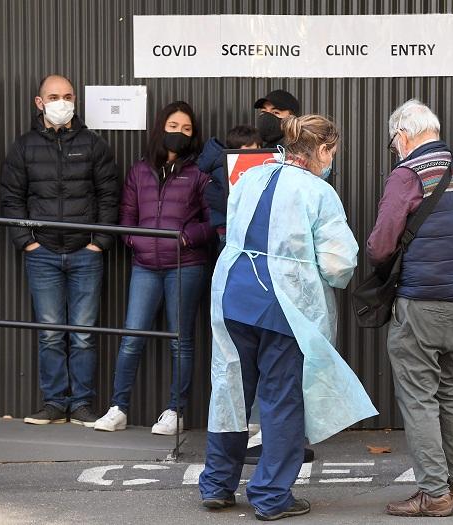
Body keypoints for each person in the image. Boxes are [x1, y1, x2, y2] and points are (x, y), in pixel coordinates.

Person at [198, 114, 376, 520]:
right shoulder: (318, 191)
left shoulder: (251, 176)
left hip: (232, 293)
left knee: (229, 390)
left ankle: (217, 484)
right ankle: (271, 495)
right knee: (281, 400)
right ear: (325, 149)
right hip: (284, 305)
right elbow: (337, 263)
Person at [367, 99, 453, 517]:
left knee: (419, 398)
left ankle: (434, 493)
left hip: (422, 301)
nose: (395, 149)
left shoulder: (409, 174)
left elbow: (382, 244)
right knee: (450, 393)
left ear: (403, 135)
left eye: (393, 142)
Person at [0, 74, 119, 427]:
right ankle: (54, 403)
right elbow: (11, 199)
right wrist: (27, 242)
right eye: (53, 96)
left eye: (67, 95)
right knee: (50, 333)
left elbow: (109, 196)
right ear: (39, 102)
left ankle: (81, 404)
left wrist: (100, 242)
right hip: (43, 254)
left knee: (83, 333)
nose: (61, 101)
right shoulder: (23, 146)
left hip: (86, 253)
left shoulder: (94, 145)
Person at [93, 101, 214, 435]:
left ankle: (176, 412)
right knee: (132, 336)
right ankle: (118, 408)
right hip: (145, 266)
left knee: (180, 340)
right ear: (161, 127)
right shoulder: (140, 169)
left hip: (185, 266)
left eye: (187, 129)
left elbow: (213, 222)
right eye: (173, 127)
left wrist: (186, 238)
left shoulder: (199, 172)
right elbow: (126, 218)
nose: (179, 134)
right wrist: (137, 241)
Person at [200, 124, 263, 252]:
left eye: (258, 150)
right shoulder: (223, 169)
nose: (254, 155)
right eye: (248, 151)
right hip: (229, 232)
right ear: (234, 151)